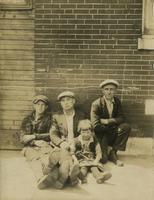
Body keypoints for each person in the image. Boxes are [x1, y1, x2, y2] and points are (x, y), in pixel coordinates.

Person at [49, 91, 87, 188]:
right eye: (63, 101)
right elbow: (53, 134)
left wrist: (76, 141)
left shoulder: (81, 115)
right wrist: (62, 143)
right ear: (60, 103)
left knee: (71, 157)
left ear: (73, 101)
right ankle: (72, 177)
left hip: (77, 144)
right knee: (65, 154)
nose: (65, 103)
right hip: (64, 145)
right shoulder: (56, 116)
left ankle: (65, 178)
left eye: (68, 100)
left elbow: (86, 131)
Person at [20, 95, 58, 189]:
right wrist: (34, 142)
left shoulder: (50, 119)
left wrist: (34, 136)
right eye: (38, 104)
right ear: (34, 106)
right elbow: (22, 138)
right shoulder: (27, 119)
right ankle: (40, 179)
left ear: (46, 107)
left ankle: (56, 176)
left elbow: (51, 135)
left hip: (45, 145)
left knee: (47, 159)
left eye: (42, 105)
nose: (40, 107)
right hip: (30, 147)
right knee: (34, 160)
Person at [91, 79, 131, 166]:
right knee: (104, 160)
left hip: (112, 130)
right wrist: (109, 127)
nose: (109, 92)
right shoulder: (96, 104)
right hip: (102, 133)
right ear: (102, 91)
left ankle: (113, 152)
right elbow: (95, 126)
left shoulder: (117, 102)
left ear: (115, 91)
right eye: (106, 89)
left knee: (126, 127)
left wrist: (108, 121)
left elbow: (122, 118)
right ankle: (107, 152)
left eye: (112, 89)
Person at [73, 119, 112, 184]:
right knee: (83, 168)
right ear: (79, 132)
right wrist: (75, 160)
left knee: (94, 168)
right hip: (82, 160)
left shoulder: (94, 140)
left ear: (91, 132)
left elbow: (98, 152)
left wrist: (96, 161)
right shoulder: (77, 141)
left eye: (88, 132)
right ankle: (82, 178)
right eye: (83, 132)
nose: (86, 135)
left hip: (92, 159)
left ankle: (99, 177)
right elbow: (72, 152)